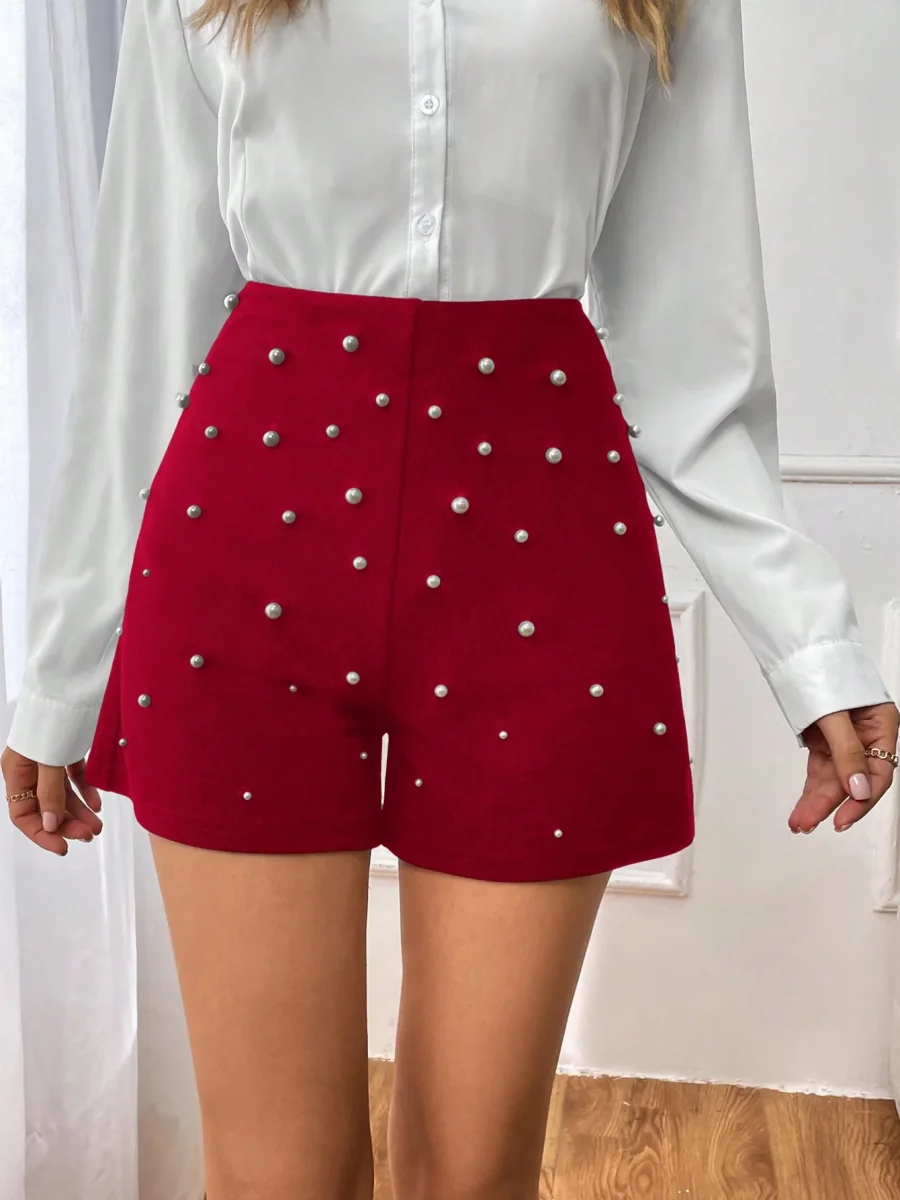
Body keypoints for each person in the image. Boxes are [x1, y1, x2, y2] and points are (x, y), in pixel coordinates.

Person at [3, 0, 898, 1196]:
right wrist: (61, 667)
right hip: (247, 553)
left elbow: (694, 350)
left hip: (541, 553)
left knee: (474, 1177)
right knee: (275, 1178)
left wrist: (812, 646)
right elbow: (144, 324)